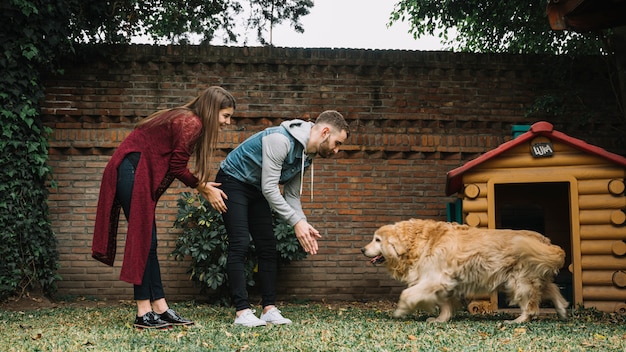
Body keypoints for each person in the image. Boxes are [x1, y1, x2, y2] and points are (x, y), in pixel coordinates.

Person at [92, 86, 235, 329]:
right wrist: (203, 188)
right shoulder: (192, 122)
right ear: (212, 111)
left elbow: (171, 162)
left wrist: (202, 185)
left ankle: (160, 307)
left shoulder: (186, 119)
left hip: (135, 171)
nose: (228, 122)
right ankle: (143, 311)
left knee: (151, 241)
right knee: (144, 238)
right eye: (226, 116)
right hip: (132, 171)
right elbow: (178, 167)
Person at [214, 110, 350, 327]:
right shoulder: (280, 140)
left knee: (267, 246)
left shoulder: (307, 155)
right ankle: (242, 312)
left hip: (256, 187)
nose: (336, 150)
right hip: (233, 180)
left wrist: (302, 223)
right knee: (239, 242)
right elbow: (270, 188)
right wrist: (295, 222)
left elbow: (292, 195)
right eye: (337, 143)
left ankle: (269, 309)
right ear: (325, 132)